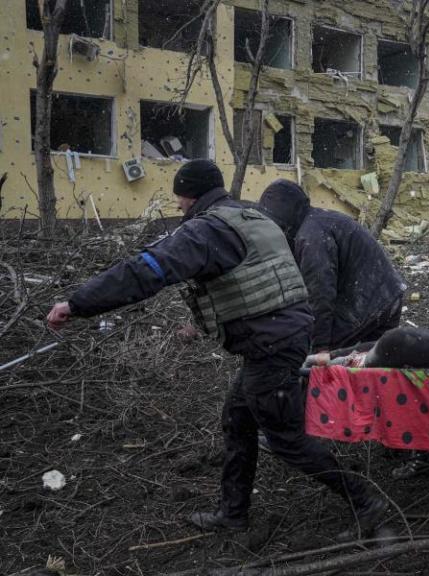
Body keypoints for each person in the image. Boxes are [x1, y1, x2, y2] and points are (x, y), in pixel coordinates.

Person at [46, 160, 386, 538]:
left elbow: (147, 270)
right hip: (280, 336)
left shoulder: (207, 231)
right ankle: (233, 514)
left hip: (271, 343)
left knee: (286, 439)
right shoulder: (250, 215)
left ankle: (366, 502)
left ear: (191, 196)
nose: (177, 207)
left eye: (179, 199)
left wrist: (78, 304)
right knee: (238, 419)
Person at [258, 179, 406, 352]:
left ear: (284, 220)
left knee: (319, 358)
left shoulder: (311, 236)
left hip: (370, 301)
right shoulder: (316, 222)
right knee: (368, 365)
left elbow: (320, 294)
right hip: (384, 295)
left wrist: (319, 347)